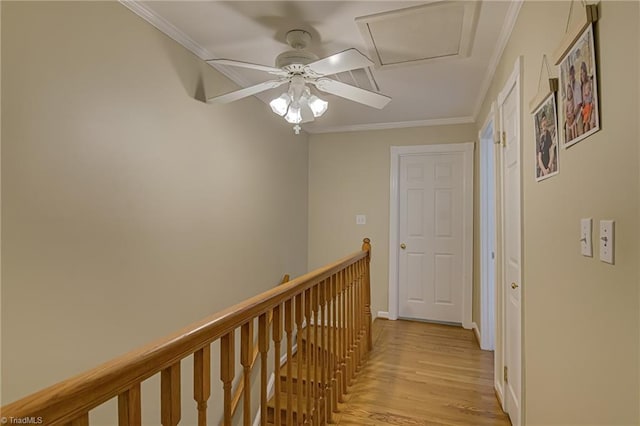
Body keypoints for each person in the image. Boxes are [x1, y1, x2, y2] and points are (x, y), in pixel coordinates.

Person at [537, 112, 556, 177]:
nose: (544, 122)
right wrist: (544, 170)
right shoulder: (540, 138)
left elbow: (552, 151)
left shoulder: (549, 134)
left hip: (549, 167)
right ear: (541, 124)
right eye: (543, 121)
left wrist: (548, 168)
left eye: (545, 120)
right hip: (543, 169)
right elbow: (539, 157)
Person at [568, 64, 583, 136]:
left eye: (573, 73)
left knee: (580, 133)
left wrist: (573, 116)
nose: (572, 75)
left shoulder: (578, 85)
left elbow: (579, 103)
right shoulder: (569, 87)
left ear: (574, 73)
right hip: (571, 115)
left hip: (578, 113)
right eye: (570, 74)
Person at [580, 61, 595, 132]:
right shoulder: (582, 86)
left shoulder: (589, 82)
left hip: (590, 106)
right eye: (581, 74)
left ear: (586, 73)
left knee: (588, 123)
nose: (582, 75)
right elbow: (583, 100)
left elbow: (591, 98)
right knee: (585, 124)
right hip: (585, 108)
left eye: (583, 73)